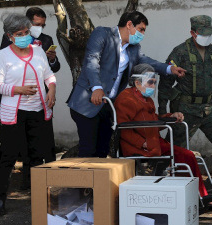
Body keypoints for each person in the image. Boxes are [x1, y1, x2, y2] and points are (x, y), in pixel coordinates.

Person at [66, 11, 185, 158]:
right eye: (141, 29)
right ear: (129, 24)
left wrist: (169, 69)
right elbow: (92, 61)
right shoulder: (102, 34)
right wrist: (97, 87)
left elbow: (146, 60)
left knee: (103, 150)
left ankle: (98, 180)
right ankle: (81, 180)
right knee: (88, 149)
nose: (142, 34)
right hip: (88, 102)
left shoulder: (134, 48)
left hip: (108, 106)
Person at [115, 64, 212, 211]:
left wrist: (170, 116)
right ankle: (196, 198)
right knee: (183, 157)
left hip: (155, 142)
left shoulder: (146, 99)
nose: (153, 85)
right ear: (137, 82)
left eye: (155, 82)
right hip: (140, 147)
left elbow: (154, 122)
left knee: (188, 155)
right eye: (150, 82)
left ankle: (200, 197)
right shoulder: (125, 99)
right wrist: (142, 143)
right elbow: (123, 129)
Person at [158, 15, 212, 198]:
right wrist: (164, 112)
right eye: (203, 33)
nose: (207, 37)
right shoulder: (180, 52)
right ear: (193, 33)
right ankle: (159, 180)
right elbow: (165, 82)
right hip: (184, 109)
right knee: (173, 148)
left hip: (209, 108)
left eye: (209, 33)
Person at [0, 13, 56, 215]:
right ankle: (0, 199)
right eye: (19, 33)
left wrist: (51, 89)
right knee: (9, 156)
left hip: (38, 110)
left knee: (38, 155)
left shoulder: (38, 51)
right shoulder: (3, 55)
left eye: (26, 32)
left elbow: (48, 75)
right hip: (15, 112)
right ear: (10, 36)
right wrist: (18, 90)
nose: (24, 36)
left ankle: (38, 198)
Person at [0, 7, 61, 190]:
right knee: (23, 145)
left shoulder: (46, 40)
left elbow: (52, 70)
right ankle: (27, 181)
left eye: (42, 25)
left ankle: (49, 182)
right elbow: (5, 63)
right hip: (17, 102)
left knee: (45, 143)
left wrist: (51, 60)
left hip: (41, 99)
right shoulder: (10, 39)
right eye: (35, 24)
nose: (38, 29)